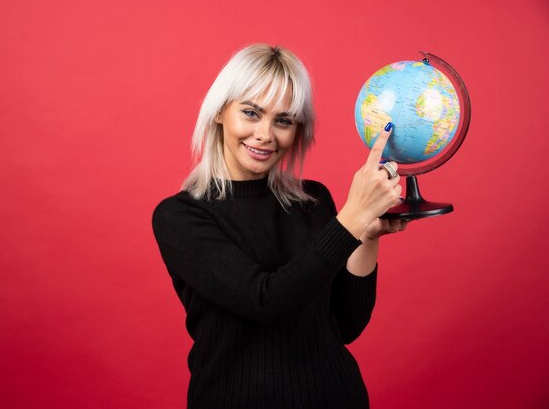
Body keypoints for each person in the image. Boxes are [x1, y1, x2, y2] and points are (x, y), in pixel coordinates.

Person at [152, 44, 408, 409]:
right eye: (251, 113)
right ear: (220, 112)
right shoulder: (180, 217)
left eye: (283, 120)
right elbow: (266, 300)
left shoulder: (314, 200)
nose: (265, 134)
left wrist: (366, 236)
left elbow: (346, 326)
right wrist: (351, 218)